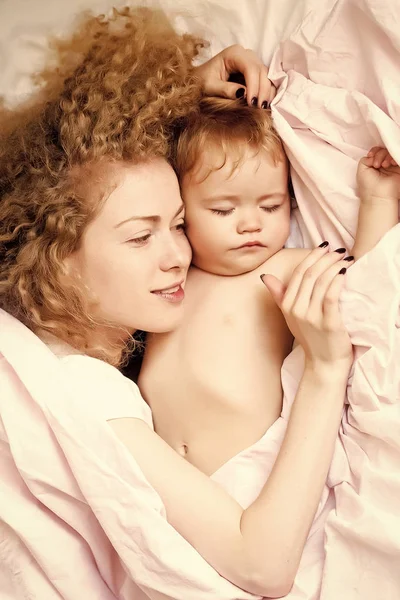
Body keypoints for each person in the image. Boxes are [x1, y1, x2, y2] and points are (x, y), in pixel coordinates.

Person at [0, 7, 354, 598]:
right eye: (142, 236)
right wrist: (325, 370)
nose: (178, 256)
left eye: (181, 224)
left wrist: (182, 94)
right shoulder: (76, 388)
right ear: (56, 252)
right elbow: (262, 567)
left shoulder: (117, 351)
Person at [140, 97, 399, 478]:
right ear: (180, 211)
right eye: (223, 210)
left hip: (251, 477)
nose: (250, 224)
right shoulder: (168, 274)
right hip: (161, 479)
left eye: (272, 206)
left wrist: (378, 200)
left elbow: (364, 285)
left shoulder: (282, 267)